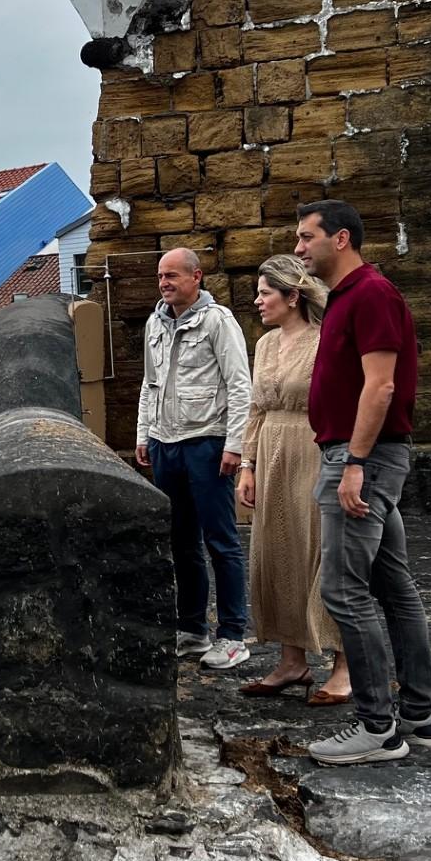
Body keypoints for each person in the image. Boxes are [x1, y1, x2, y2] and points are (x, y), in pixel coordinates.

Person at [293, 200, 431, 765]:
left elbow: (380, 387)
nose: (299, 248)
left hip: (362, 458)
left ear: (340, 239)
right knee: (392, 586)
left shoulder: (372, 294)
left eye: (306, 238)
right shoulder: (343, 299)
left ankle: (378, 727)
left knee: (343, 590)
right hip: (361, 455)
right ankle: (421, 717)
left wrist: (354, 462)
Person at [235, 255, 352, 706]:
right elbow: (256, 408)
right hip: (271, 450)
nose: (258, 300)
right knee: (275, 552)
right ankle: (292, 660)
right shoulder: (264, 345)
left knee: (321, 552)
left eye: (266, 292)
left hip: (314, 447)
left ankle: (344, 664)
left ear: (292, 296)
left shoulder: (326, 340)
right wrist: (248, 465)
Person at [134, 247, 253, 670]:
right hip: (166, 444)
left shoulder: (218, 322)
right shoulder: (154, 323)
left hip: (206, 441)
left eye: (172, 276)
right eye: (160, 277)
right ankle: (192, 629)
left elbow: (240, 385)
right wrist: (144, 434)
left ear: (196, 277)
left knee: (220, 540)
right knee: (180, 541)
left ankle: (234, 634)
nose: (164, 283)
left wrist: (235, 445)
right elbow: (149, 384)